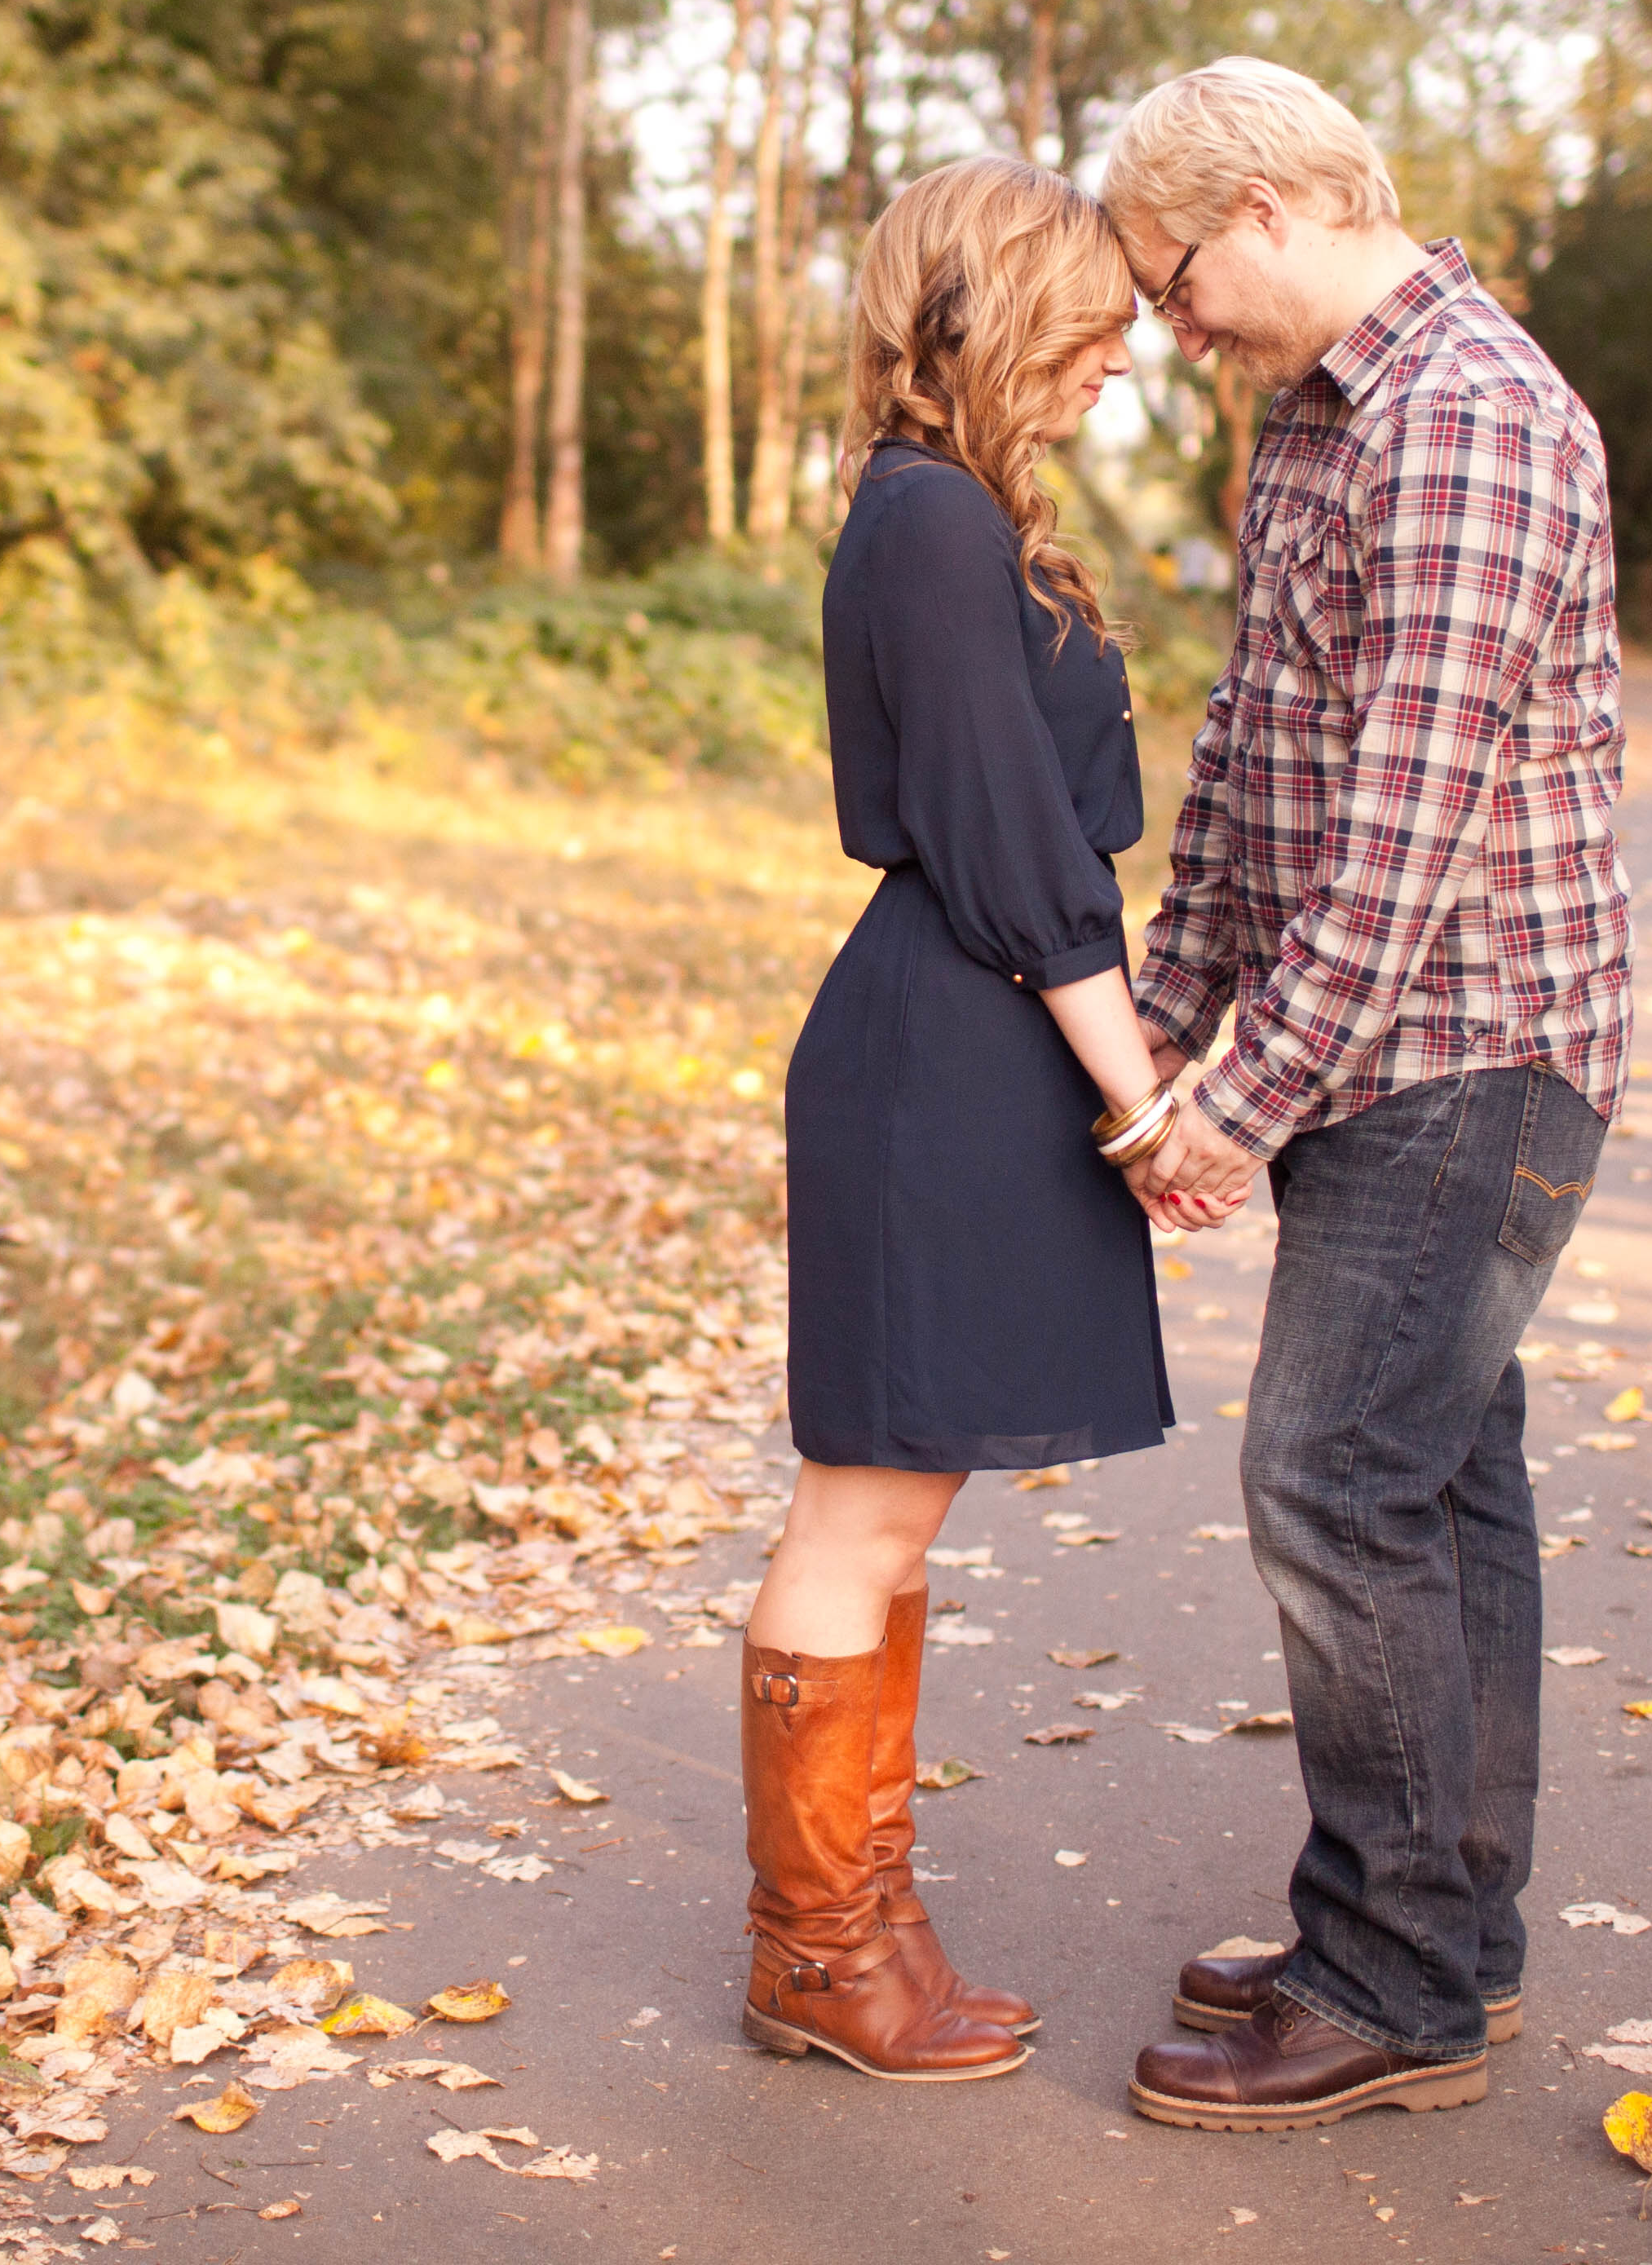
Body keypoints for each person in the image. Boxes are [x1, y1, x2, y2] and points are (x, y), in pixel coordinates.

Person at [1095, 58, 1633, 2131]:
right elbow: (1254, 762)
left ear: (1275, 203)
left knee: (1333, 1481)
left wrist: (1246, 1100)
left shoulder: (1473, 418)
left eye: (1174, 276)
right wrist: (1167, 1012)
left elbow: (1410, 824)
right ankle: (1434, 1934)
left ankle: (1392, 1980)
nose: (1169, 322)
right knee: (1436, 1479)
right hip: (1390, 1049)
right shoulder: (1319, 428)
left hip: (1472, 1054)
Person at [740, 153, 1218, 2084]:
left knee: (901, 1506)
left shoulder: (959, 517)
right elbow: (1019, 848)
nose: (1126, 350)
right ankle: (812, 1949)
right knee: (863, 1498)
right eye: (1097, 313)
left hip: (970, 1030)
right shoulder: (931, 523)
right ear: (1003, 300)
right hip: (945, 1038)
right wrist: (1143, 1098)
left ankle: (870, 1918)